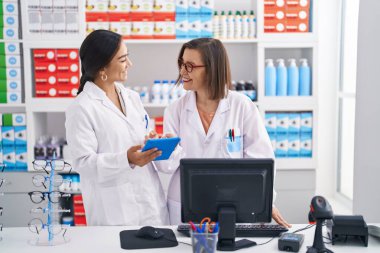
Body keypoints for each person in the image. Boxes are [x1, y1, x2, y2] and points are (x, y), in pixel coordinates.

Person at [155, 38, 291, 228]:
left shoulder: (241, 106)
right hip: (185, 201)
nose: (182, 71)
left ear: (212, 68)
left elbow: (261, 160)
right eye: (181, 64)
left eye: (190, 66)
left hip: (231, 201)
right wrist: (162, 148)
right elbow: (166, 167)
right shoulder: (174, 110)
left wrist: (264, 202)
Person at [65, 30, 169, 226]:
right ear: (102, 67)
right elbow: (83, 163)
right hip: (115, 212)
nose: (130, 64)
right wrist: (126, 159)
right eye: (123, 59)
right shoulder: (81, 108)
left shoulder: (132, 97)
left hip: (151, 204)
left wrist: (153, 140)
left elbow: (140, 135)